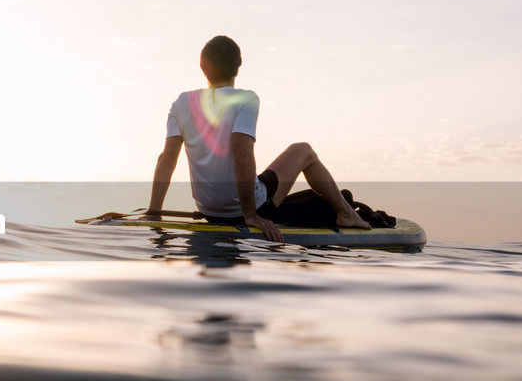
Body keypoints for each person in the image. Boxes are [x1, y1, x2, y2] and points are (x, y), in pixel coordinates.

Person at [147, 35, 369, 243]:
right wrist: (251, 215)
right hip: (246, 209)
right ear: (238, 66)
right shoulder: (246, 99)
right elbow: (242, 156)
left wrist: (154, 211)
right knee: (304, 151)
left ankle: (343, 209)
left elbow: (167, 159)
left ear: (202, 66)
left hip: (209, 211)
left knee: (274, 172)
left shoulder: (182, 103)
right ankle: (346, 213)